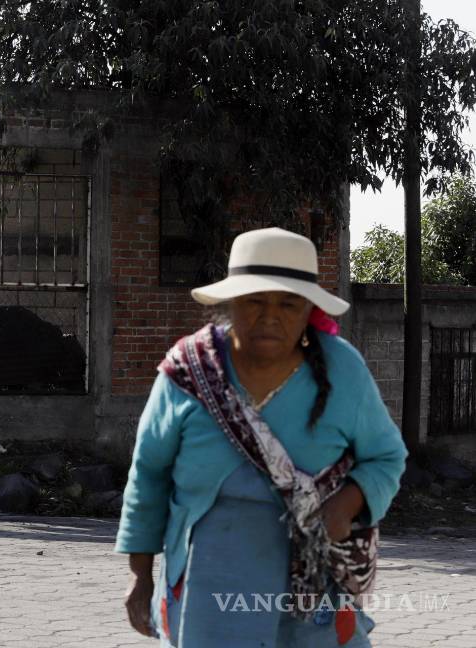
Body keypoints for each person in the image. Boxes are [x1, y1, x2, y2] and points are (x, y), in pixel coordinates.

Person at [116, 227, 408, 647]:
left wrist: (346, 506)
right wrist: (140, 576)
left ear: (308, 309)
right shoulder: (188, 371)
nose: (270, 315)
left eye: (288, 304)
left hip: (311, 585)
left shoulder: (342, 369)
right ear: (232, 302)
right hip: (207, 585)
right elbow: (149, 473)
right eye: (255, 300)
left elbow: (386, 457)